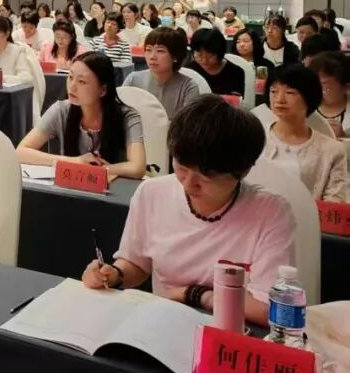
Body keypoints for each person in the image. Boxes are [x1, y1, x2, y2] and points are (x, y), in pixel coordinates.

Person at [81, 96, 293, 326]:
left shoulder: (270, 213)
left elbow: (267, 309)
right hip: (165, 324)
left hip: (232, 331)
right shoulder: (152, 193)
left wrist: (194, 294)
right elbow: (137, 264)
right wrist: (114, 274)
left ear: (243, 171)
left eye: (206, 176)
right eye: (181, 167)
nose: (189, 183)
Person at [17, 52, 147, 179]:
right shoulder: (60, 110)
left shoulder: (128, 116)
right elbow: (21, 152)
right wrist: (75, 162)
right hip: (71, 188)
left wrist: (95, 170)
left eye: (82, 81)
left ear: (103, 90)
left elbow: (137, 167)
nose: (72, 87)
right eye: (70, 77)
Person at [261, 64, 346, 201]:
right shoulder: (253, 138)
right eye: (274, 91)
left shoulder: (333, 151)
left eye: (290, 93)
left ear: (309, 97)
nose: (279, 99)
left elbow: (335, 203)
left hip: (311, 215)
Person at [123, 27, 199, 120]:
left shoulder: (188, 87)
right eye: (148, 50)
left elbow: (188, 123)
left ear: (175, 56)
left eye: (160, 51)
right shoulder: (133, 80)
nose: (152, 56)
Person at [186, 29, 245, 96]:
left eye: (210, 56)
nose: (204, 60)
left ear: (220, 52)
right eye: (199, 55)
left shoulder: (236, 72)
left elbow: (239, 99)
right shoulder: (188, 71)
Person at [309, 52, 348, 137]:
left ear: (346, 87)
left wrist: (343, 137)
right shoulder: (303, 108)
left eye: (326, 87)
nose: (317, 90)